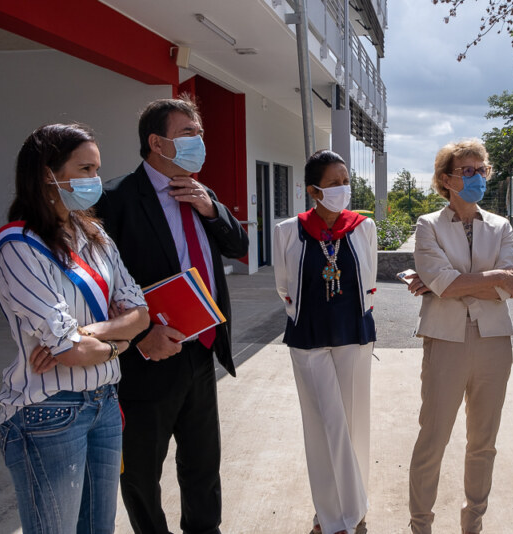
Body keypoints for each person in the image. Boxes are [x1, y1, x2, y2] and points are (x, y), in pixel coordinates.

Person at [95, 98, 249, 533]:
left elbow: (237, 245)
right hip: (149, 357)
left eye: (200, 133)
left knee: (203, 462)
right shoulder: (116, 199)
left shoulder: (203, 193)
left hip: (200, 351)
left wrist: (211, 209)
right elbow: (97, 285)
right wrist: (139, 336)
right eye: (188, 133)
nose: (199, 142)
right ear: (156, 142)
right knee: (141, 471)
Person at [0, 123, 149, 533]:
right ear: (48, 174)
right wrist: (119, 343)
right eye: (84, 169)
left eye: (96, 169)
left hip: (104, 403)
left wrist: (89, 334)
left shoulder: (95, 236)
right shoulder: (18, 246)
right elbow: (71, 352)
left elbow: (141, 313)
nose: (94, 180)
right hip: (48, 412)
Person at [407, 139, 513, 534]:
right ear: (446, 179)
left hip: (493, 341)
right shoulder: (428, 225)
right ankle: (420, 524)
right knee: (433, 439)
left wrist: (453, 284)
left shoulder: (500, 225)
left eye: (481, 170)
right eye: (466, 171)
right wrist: (489, 280)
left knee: (483, 441)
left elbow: (511, 287)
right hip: (446, 340)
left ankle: (473, 522)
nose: (476, 178)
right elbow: (440, 281)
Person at [273, 149, 376, 534]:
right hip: (309, 337)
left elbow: (369, 277)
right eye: (333, 184)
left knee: (352, 422)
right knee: (323, 425)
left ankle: (352, 508)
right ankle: (336, 515)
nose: (342, 189)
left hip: (354, 335)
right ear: (313, 191)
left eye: (345, 181)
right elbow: (283, 287)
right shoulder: (288, 231)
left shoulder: (362, 228)